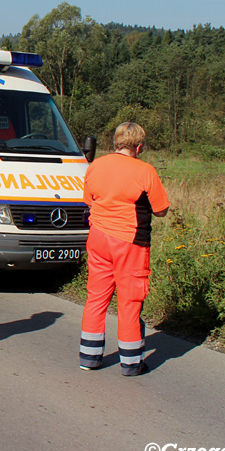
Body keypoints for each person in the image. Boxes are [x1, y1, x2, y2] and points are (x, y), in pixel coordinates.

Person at [79, 122, 169, 376]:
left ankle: (89, 356)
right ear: (139, 147)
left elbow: (89, 200)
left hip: (98, 238)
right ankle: (131, 362)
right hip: (130, 241)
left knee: (96, 297)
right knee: (129, 301)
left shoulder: (95, 166)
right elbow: (161, 210)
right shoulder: (145, 170)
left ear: (116, 142)